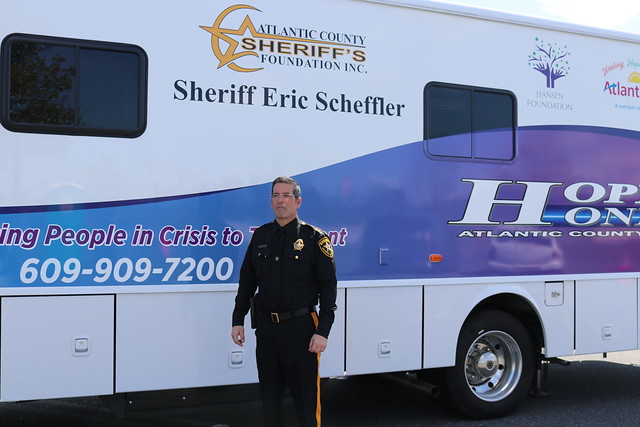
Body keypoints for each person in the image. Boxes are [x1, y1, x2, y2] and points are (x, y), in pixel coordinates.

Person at [231, 176, 338, 427]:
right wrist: (238, 321)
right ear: (271, 202)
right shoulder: (261, 236)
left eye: (286, 196)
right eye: (276, 196)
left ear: (298, 201)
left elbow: (328, 288)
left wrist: (322, 331)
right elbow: (247, 282)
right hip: (267, 331)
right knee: (270, 402)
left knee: (306, 403)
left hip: (301, 331)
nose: (281, 200)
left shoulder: (314, 238)